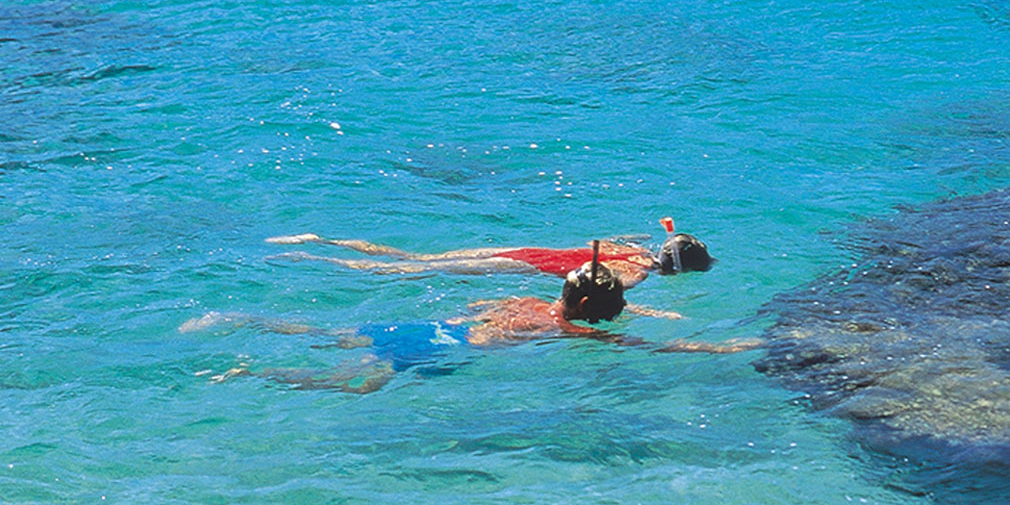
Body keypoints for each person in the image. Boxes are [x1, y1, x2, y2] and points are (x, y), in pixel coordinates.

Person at [182, 249, 756, 394]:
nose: (623, 311)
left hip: (422, 327)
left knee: (325, 335)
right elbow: (654, 349)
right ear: (587, 312)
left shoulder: (524, 305)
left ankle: (238, 318)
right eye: (615, 307)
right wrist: (730, 349)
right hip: (433, 353)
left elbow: (469, 313)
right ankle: (250, 373)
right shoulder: (565, 329)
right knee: (352, 386)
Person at [266, 218, 712, 287]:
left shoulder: (627, 247)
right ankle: (312, 259)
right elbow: (597, 288)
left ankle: (319, 240)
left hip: (524, 249)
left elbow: (603, 244)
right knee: (403, 273)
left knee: (416, 258)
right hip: (523, 266)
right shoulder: (637, 276)